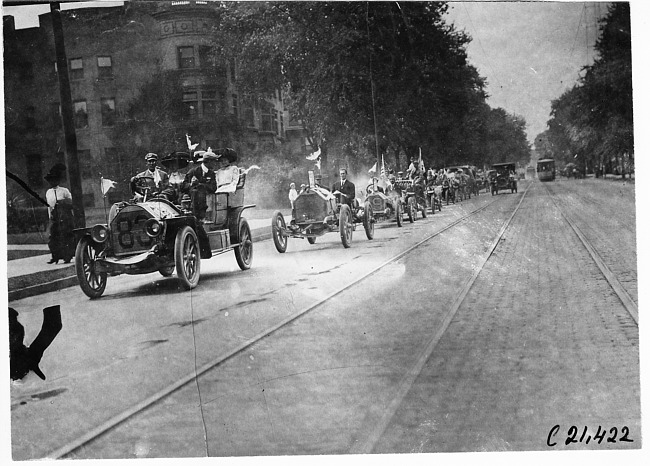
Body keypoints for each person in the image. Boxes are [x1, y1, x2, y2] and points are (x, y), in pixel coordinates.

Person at [181, 150, 219, 259]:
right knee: (194, 192)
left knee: (199, 191)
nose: (215, 164)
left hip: (206, 202)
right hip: (192, 201)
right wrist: (191, 184)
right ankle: (195, 216)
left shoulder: (211, 174)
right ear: (208, 162)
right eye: (214, 162)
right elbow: (183, 186)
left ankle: (199, 217)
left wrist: (201, 185)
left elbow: (213, 188)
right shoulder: (193, 171)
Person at [44, 169, 75, 264]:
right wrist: (50, 217)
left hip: (64, 216)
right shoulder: (48, 192)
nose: (52, 182)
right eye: (50, 180)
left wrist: (62, 202)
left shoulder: (64, 191)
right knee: (52, 236)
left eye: (54, 180)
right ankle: (55, 256)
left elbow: (71, 202)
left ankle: (67, 256)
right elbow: (49, 206)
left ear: (58, 180)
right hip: (54, 217)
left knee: (65, 236)